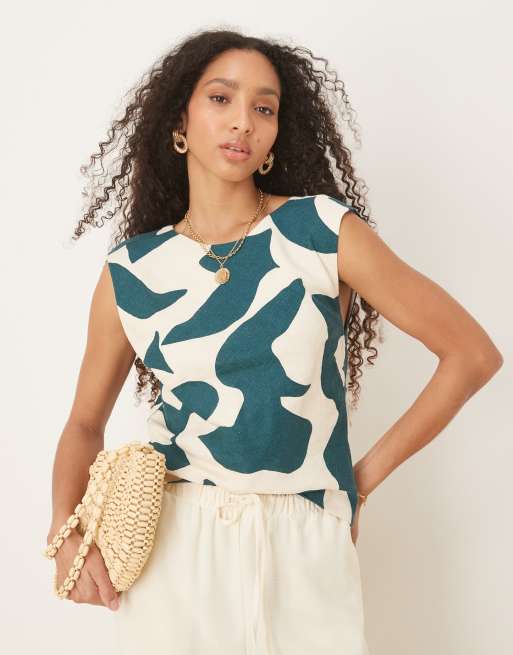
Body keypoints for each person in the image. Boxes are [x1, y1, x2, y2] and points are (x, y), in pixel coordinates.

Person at [45, 28, 503, 655]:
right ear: (179, 121)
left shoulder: (320, 231)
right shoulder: (132, 271)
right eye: (221, 99)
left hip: (305, 542)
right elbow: (82, 424)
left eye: (264, 108)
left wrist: (359, 482)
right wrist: (64, 530)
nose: (244, 121)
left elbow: (471, 355)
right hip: (178, 548)